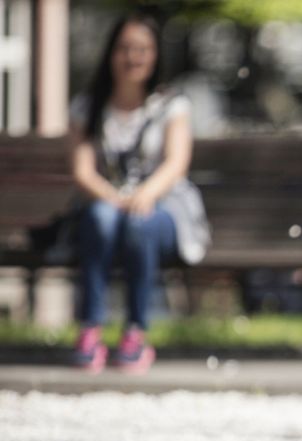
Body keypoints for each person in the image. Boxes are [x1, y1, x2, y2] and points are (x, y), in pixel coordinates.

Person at [69, 14, 210, 374]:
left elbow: (177, 164)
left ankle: (136, 330)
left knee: (139, 223)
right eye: (125, 49)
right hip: (106, 210)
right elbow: (83, 171)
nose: (134, 57)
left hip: (160, 212)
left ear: (155, 55)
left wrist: (144, 194)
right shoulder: (88, 108)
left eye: (143, 50)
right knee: (101, 216)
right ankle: (91, 328)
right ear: (111, 53)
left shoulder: (171, 106)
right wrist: (114, 198)